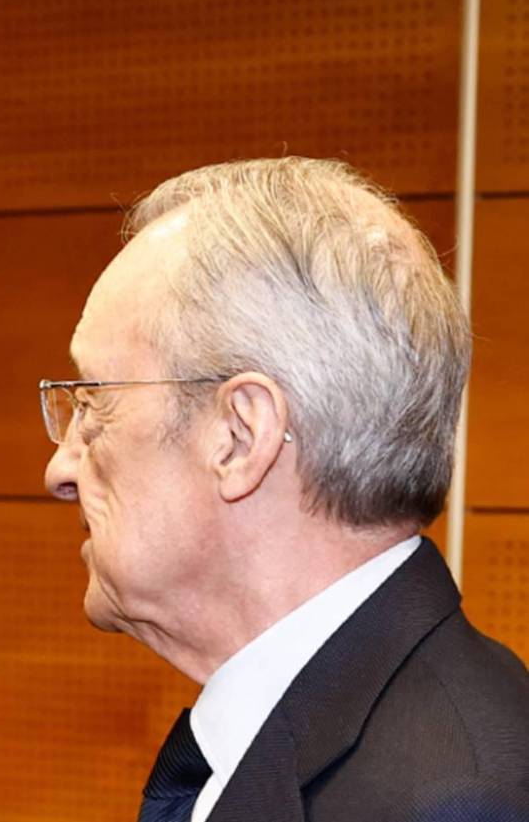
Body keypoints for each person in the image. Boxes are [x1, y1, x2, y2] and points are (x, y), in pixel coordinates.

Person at [42, 157, 528, 821]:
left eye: (93, 403)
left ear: (241, 437)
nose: (59, 470)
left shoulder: (452, 801)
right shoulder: (325, 733)